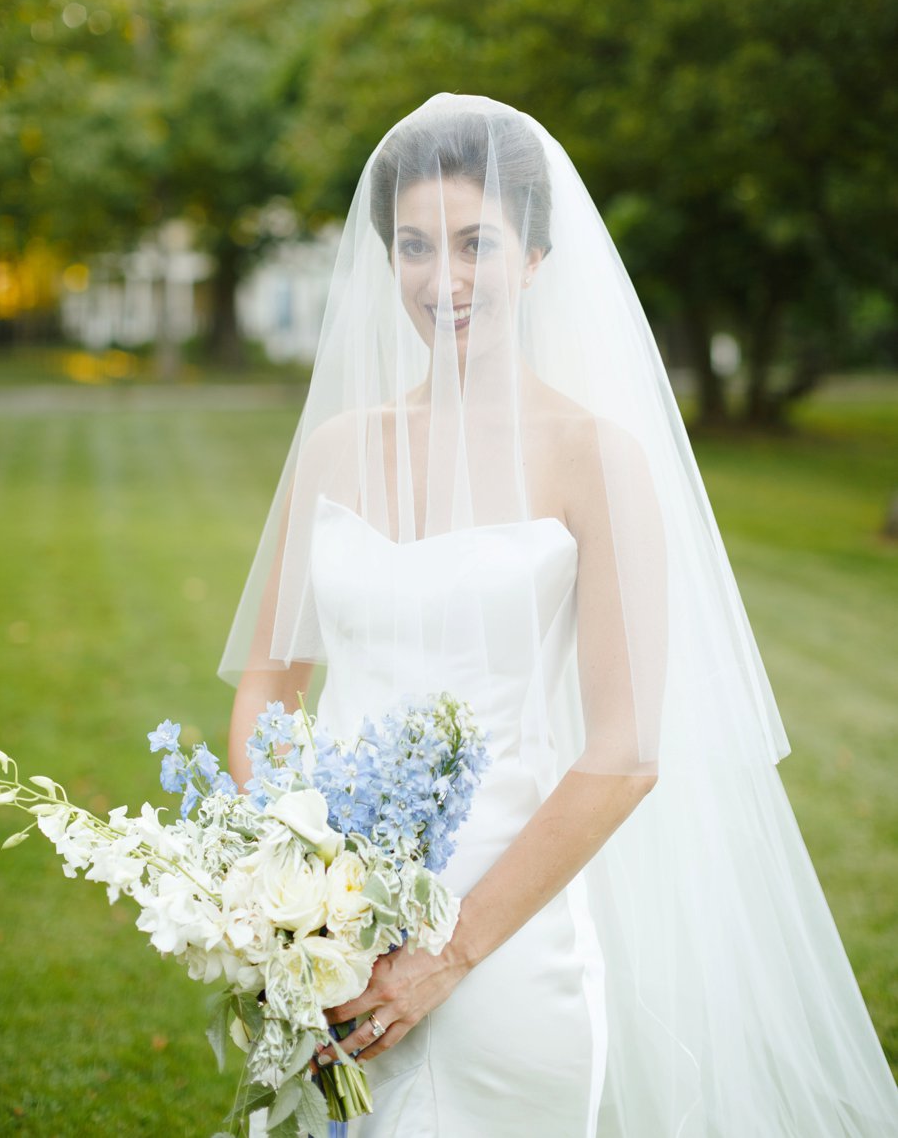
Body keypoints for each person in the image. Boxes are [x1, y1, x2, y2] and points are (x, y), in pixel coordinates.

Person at [221, 93, 898, 1136]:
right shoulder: (336, 449)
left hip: (507, 940)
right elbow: (270, 682)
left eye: (474, 244)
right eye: (411, 246)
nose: (440, 279)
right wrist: (292, 903)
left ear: (536, 255)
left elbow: (624, 755)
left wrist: (442, 958)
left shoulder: (597, 459)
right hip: (336, 941)